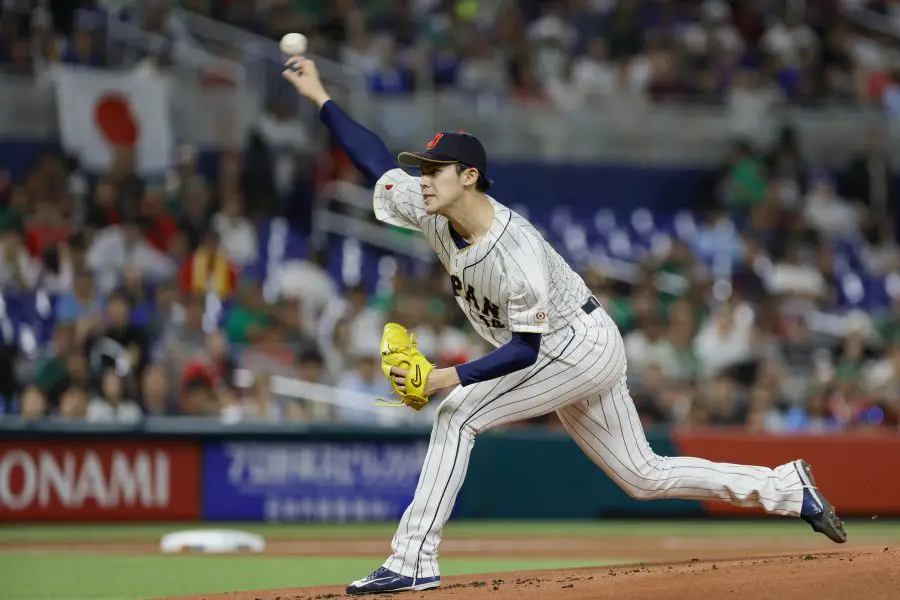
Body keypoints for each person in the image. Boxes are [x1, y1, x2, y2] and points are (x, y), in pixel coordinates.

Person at [282, 56, 847, 596]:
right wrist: (321, 97)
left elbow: (524, 352)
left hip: (572, 347)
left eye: (434, 170)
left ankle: (411, 562)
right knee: (643, 476)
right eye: (423, 170)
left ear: (470, 176)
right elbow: (373, 160)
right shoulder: (432, 207)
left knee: (458, 415)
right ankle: (785, 488)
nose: (422, 179)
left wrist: (442, 380)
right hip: (567, 345)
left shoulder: (514, 251)